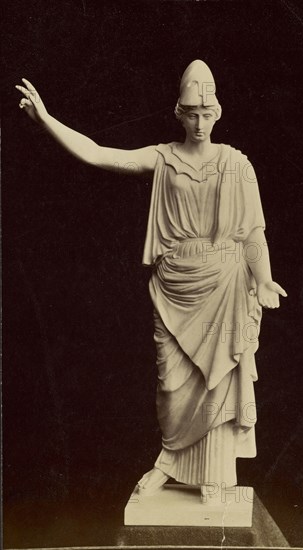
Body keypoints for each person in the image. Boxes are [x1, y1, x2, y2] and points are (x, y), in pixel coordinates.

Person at [16, 60, 287, 505]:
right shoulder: (162, 157)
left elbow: (252, 232)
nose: (200, 122)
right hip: (175, 286)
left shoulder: (236, 165)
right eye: (191, 114)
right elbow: (101, 153)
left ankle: (215, 477)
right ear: (178, 114)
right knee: (171, 385)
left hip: (224, 284)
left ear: (217, 112)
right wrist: (46, 120)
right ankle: (167, 462)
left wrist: (266, 279)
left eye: (207, 113)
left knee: (217, 379)